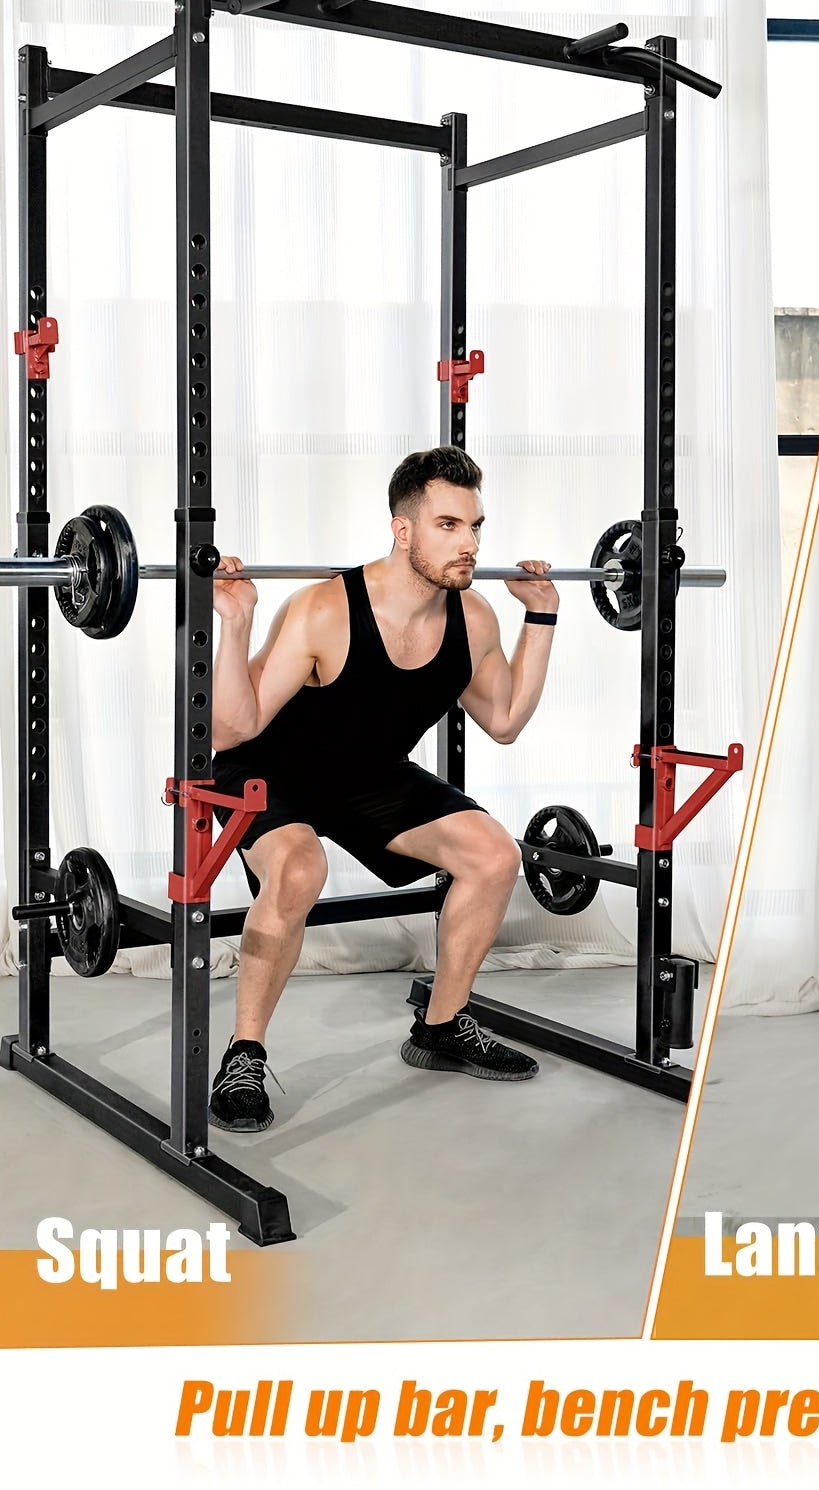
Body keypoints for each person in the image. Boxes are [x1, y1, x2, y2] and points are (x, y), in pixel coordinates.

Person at [205, 446, 557, 1130]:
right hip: (269, 769)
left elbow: (506, 721)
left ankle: (441, 1028)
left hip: (367, 774)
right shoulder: (323, 610)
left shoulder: (473, 617)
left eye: (475, 526)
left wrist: (541, 618)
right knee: (299, 869)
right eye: (449, 525)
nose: (470, 544)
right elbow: (233, 729)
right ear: (403, 530)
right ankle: (244, 1055)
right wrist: (237, 623)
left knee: (493, 855)